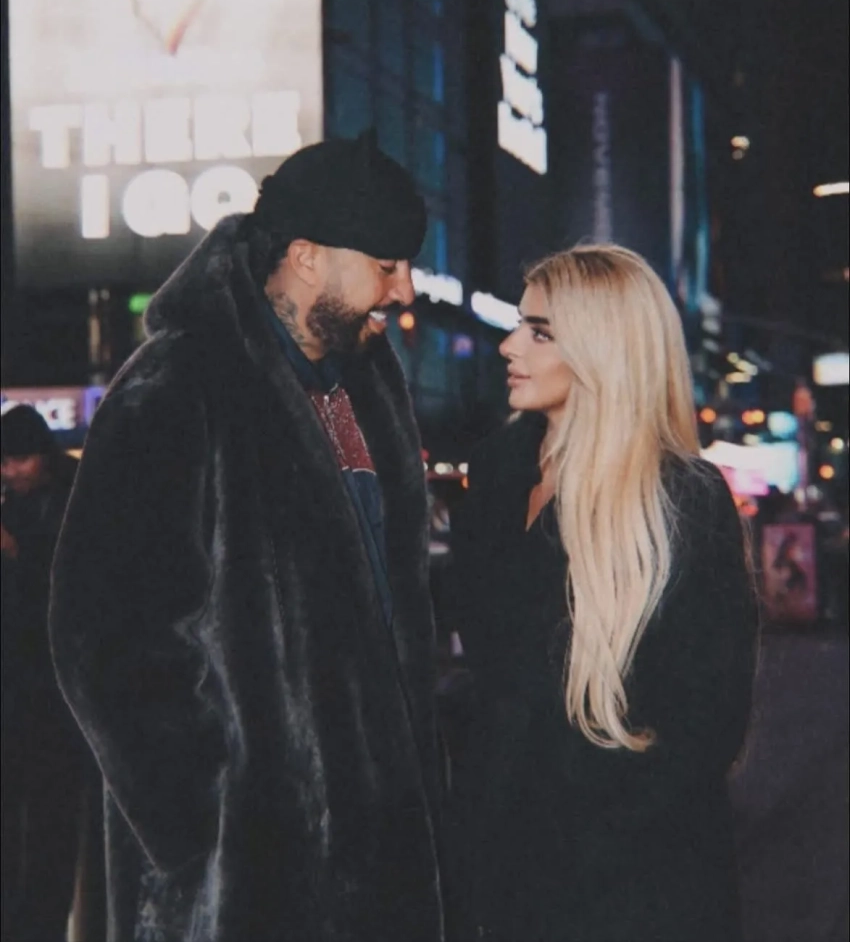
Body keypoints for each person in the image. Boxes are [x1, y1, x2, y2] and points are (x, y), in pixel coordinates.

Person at [50, 133, 445, 942]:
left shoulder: (368, 386)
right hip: (243, 885)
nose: (403, 290)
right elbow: (106, 634)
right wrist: (211, 818)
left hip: (376, 868)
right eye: (386, 265)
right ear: (306, 256)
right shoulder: (177, 385)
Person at [451, 245, 758, 942]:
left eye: (539, 332)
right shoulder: (496, 473)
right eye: (518, 324)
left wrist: (582, 847)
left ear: (603, 350)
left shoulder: (679, 498)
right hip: (500, 869)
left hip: (633, 888)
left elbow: (705, 726)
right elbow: (494, 672)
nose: (508, 346)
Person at [1, 405, 85, 942]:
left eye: (18, 460)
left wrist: (16, 552)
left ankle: (43, 923)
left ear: (44, 458)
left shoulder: (74, 500)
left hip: (56, 693)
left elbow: (70, 593)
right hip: (14, 689)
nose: (9, 472)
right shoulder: (14, 502)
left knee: (54, 812)